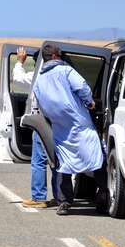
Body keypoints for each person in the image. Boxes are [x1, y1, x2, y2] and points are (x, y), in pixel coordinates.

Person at [32, 45, 108, 216]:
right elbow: (82, 87)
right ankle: (104, 195)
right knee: (96, 158)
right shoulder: (65, 71)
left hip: (60, 128)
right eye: (60, 55)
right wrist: (90, 103)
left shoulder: (39, 81)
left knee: (63, 164)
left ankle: (64, 203)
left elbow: (41, 105)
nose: (62, 58)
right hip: (80, 124)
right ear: (53, 57)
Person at [13, 47, 58, 208]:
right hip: (61, 122)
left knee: (39, 160)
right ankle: (60, 196)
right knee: (57, 160)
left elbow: (17, 80)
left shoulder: (37, 76)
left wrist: (19, 62)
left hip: (42, 121)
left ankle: (39, 197)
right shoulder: (64, 75)